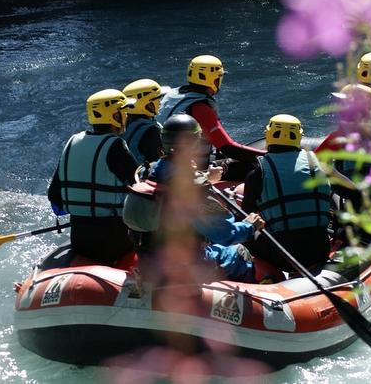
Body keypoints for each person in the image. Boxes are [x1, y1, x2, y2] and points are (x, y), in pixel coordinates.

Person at [129, 114, 265, 282]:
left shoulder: (148, 173)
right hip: (186, 266)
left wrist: (204, 177)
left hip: (149, 262)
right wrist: (250, 226)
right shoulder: (195, 188)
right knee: (239, 253)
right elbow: (223, 234)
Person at [47, 89, 138, 264]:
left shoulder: (72, 142)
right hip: (115, 239)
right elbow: (141, 187)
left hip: (80, 238)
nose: (126, 115)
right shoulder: (115, 146)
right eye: (123, 111)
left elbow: (54, 195)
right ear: (115, 116)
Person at [242, 114, 333, 271]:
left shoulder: (258, 172)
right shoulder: (318, 164)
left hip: (283, 256)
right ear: (298, 136)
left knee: (242, 234)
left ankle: (263, 275)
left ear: (268, 135)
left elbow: (245, 216)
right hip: (321, 249)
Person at [156, 55, 265, 167]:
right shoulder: (200, 107)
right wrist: (267, 157)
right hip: (189, 170)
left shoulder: (172, 95)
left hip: (162, 163)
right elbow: (227, 147)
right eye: (219, 78)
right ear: (214, 80)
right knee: (254, 167)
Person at [120, 78, 165, 166]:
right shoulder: (151, 131)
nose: (160, 102)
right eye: (156, 99)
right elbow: (157, 162)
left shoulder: (121, 125)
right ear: (145, 104)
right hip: (140, 177)